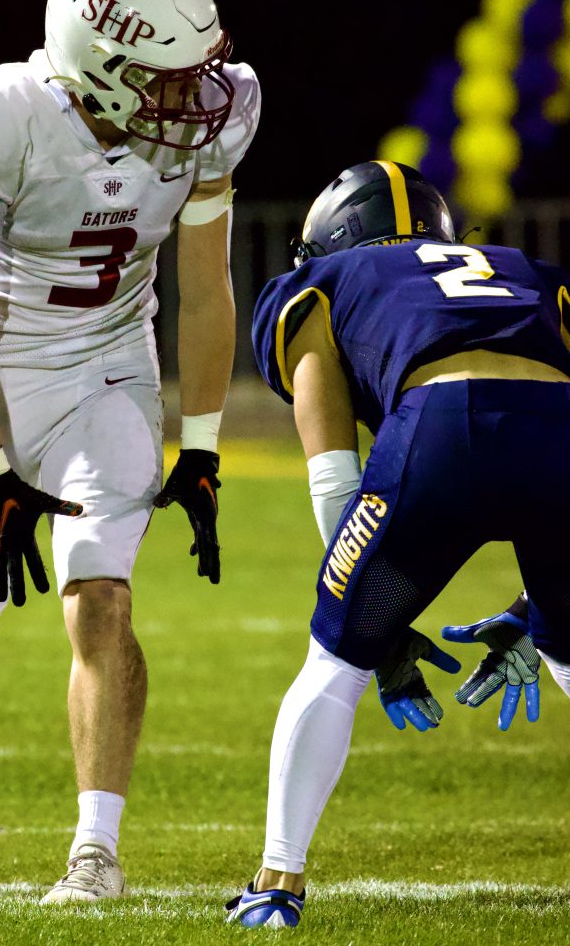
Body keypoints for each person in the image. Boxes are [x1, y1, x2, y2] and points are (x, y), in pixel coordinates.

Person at [0, 0, 261, 901]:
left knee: (102, 599)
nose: (200, 98)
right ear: (100, 64)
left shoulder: (217, 113)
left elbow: (203, 291)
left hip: (111, 368)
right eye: (171, 80)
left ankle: (94, 852)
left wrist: (202, 446)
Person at [227, 159, 570, 928]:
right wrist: (534, 606)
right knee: (569, 651)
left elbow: (332, 481)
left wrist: (373, 629)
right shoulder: (527, 271)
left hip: (443, 431)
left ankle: (278, 883)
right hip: (561, 430)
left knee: (334, 660)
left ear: (336, 236)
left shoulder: (331, 280)